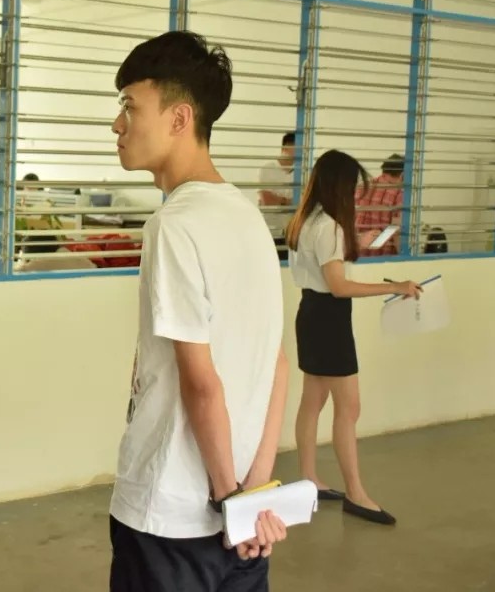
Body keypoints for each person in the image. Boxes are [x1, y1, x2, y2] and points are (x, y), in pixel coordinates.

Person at [108, 31, 289, 592]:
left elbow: (201, 384)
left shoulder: (174, 225)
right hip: (241, 510)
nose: (117, 125)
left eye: (129, 106)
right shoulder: (247, 218)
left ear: (179, 118)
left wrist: (226, 495)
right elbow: (278, 364)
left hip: (170, 512)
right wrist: (252, 494)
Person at [286, 149, 421, 526]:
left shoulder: (306, 218)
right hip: (330, 319)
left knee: (312, 400)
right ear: (339, 186)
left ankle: (309, 478)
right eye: (352, 187)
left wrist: (356, 240)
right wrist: (394, 286)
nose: (355, 195)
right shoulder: (329, 226)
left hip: (311, 313)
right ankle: (356, 494)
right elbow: (339, 286)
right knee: (349, 409)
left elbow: (323, 265)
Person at [355, 153, 405, 257]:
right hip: (383, 256)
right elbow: (396, 231)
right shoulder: (399, 195)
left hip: (360, 253)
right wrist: (404, 256)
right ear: (402, 175)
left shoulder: (363, 187)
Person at [258, 131, 296, 261]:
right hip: (271, 231)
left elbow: (303, 202)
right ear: (285, 147)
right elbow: (267, 200)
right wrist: (290, 202)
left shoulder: (302, 172)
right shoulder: (268, 169)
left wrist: (279, 200)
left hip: (292, 233)